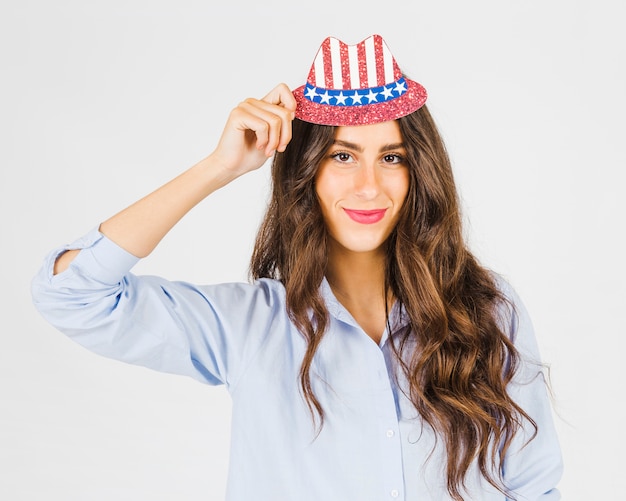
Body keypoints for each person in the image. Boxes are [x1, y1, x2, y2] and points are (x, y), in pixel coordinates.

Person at [31, 34, 562, 500]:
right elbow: (71, 294)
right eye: (342, 156)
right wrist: (218, 168)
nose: (369, 186)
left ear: (418, 173)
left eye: (392, 158)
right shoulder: (248, 325)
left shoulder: (486, 309)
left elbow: (533, 485)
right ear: (306, 172)